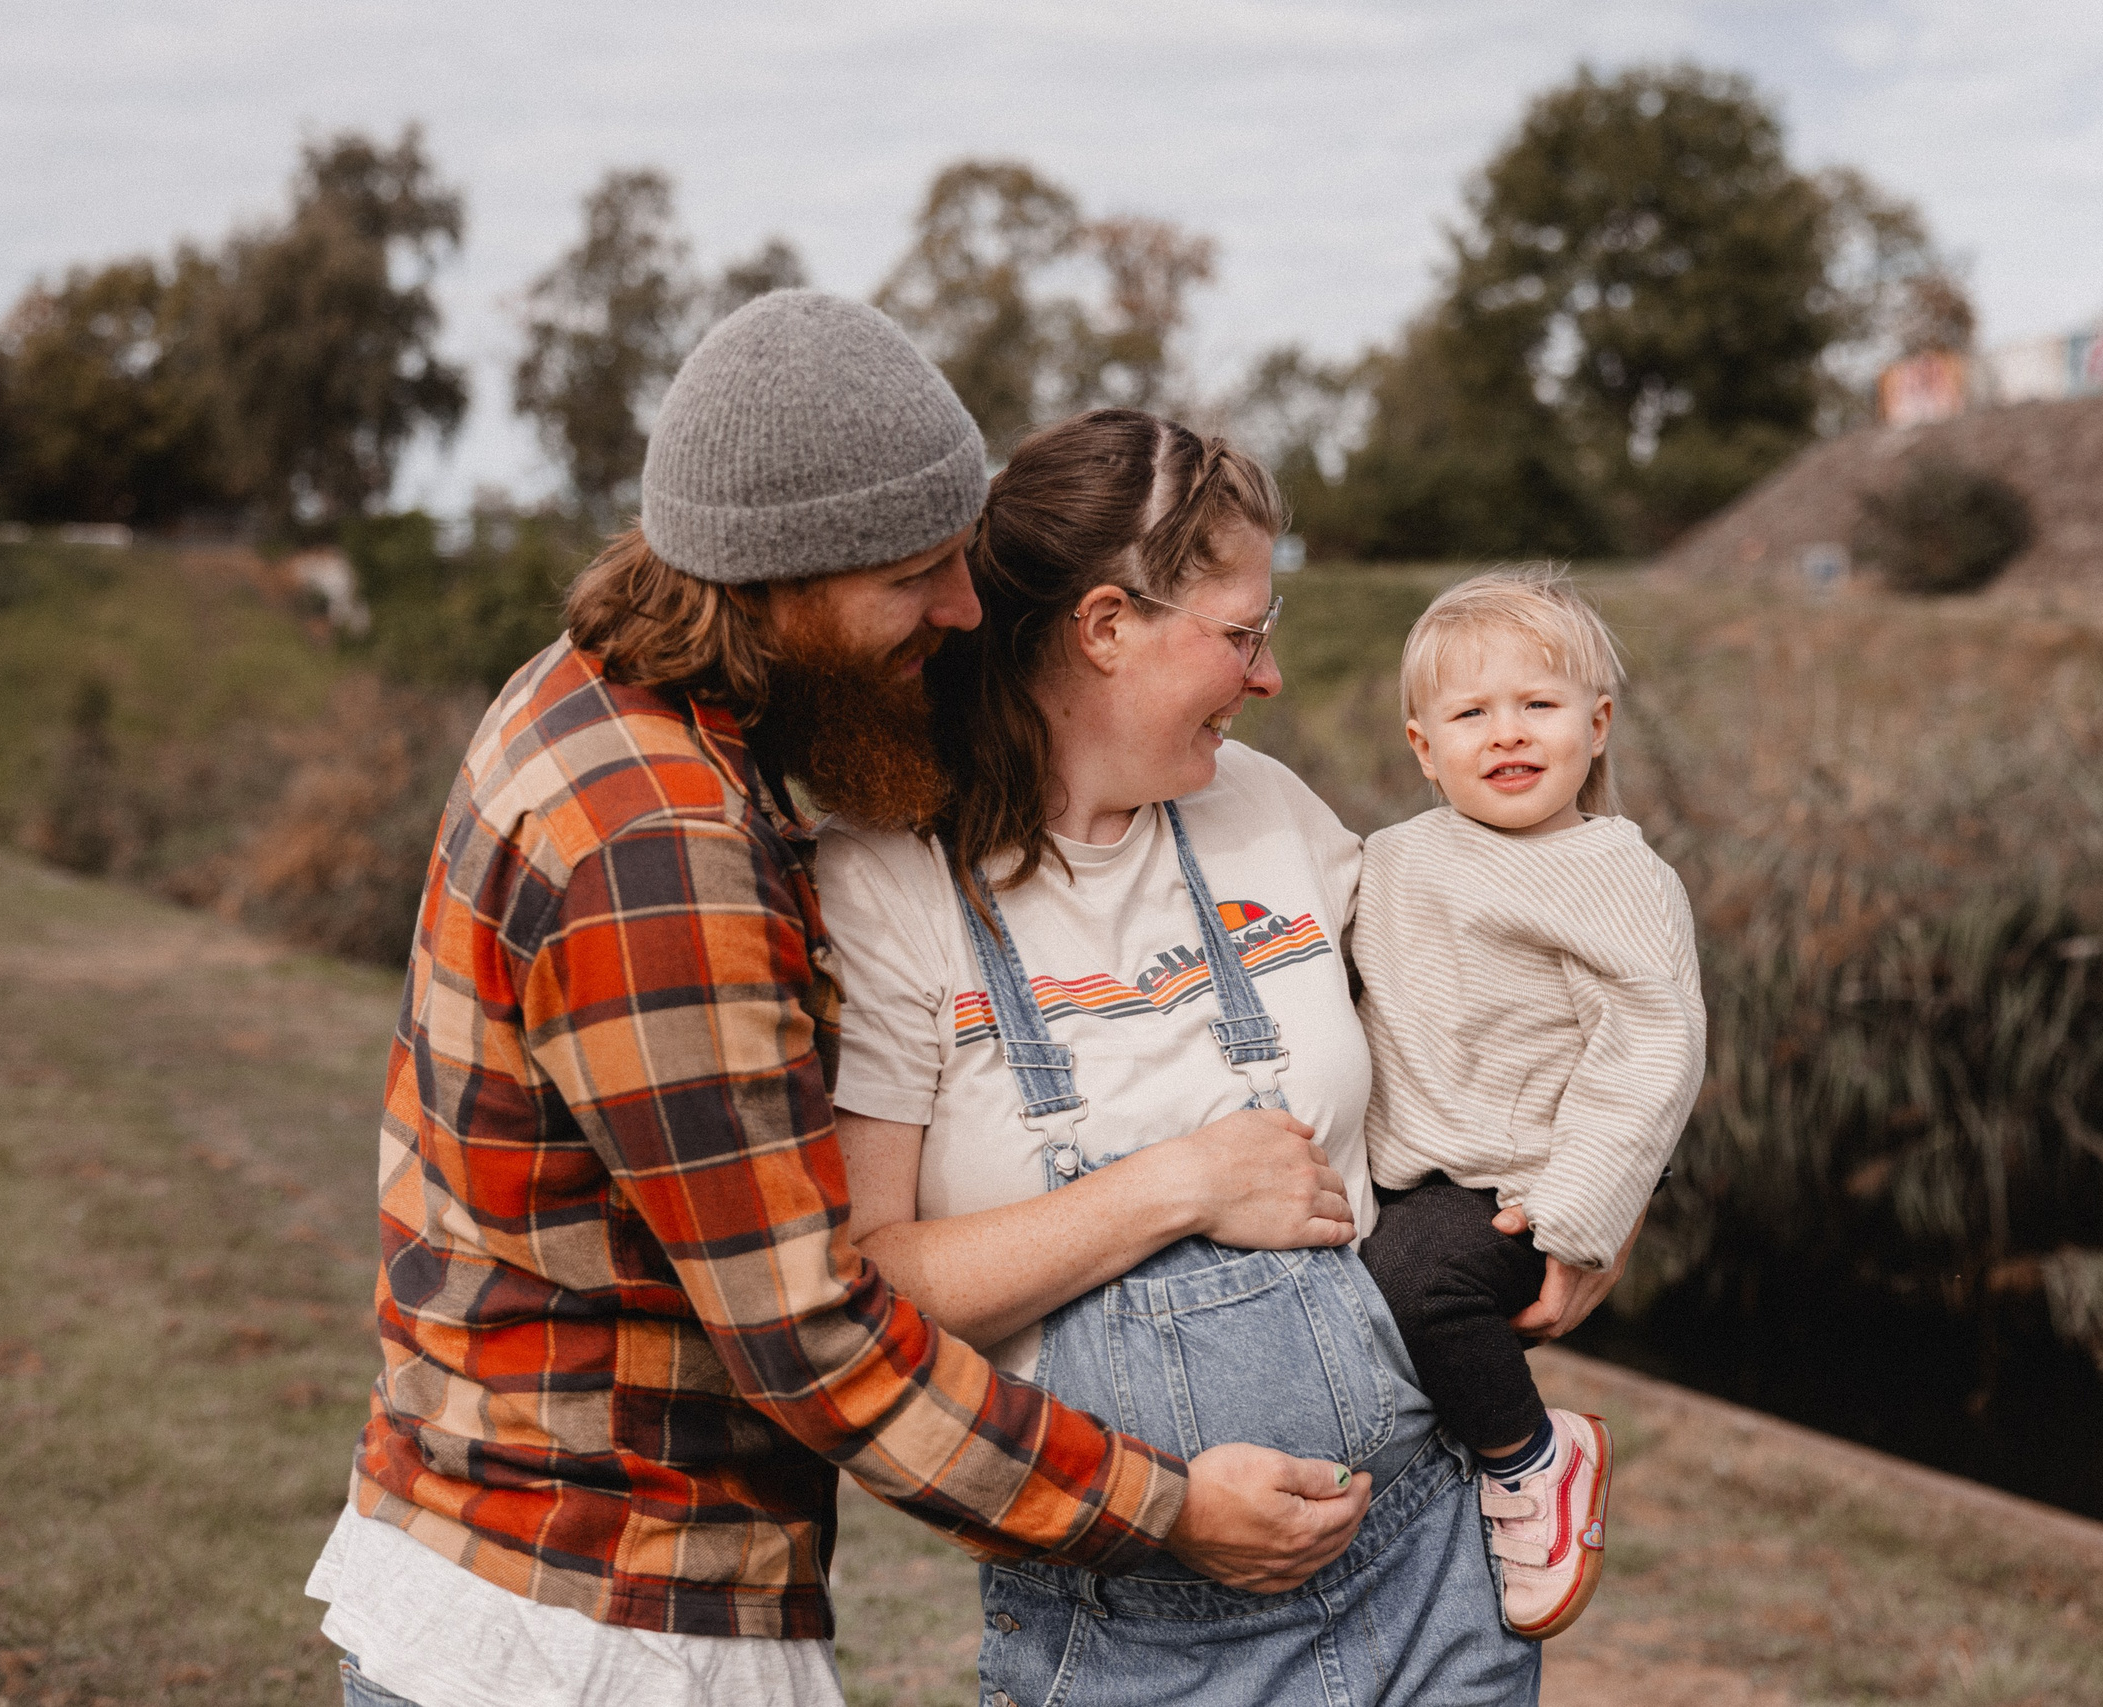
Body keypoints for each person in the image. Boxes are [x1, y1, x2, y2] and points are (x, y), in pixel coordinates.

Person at [303, 295, 1368, 1707]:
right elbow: (814, 1336)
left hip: (551, 1566)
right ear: (773, 583)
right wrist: (1163, 1504)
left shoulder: (588, 700)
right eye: (916, 575)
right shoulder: (659, 848)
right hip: (600, 1615)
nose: (965, 609)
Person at [817, 408, 1545, 1705]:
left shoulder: (1264, 804)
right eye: (1241, 634)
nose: (1269, 677)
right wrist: (1182, 1184)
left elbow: (1492, 1027)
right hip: (1131, 1639)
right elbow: (870, 1284)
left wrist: (1597, 1196)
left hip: (1428, 1576)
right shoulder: (887, 882)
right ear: (1107, 626)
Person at [1353, 569, 1705, 1639]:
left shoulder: (1614, 874)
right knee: (1366, 1284)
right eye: (1470, 714)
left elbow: (1649, 1048)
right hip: (1399, 1170)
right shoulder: (1391, 857)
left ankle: (1534, 1459)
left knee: (1420, 1284)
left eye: (1538, 705)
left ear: (1595, 727)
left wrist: (1578, 1217)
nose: (1506, 731)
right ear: (1423, 748)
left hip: (1519, 1188)